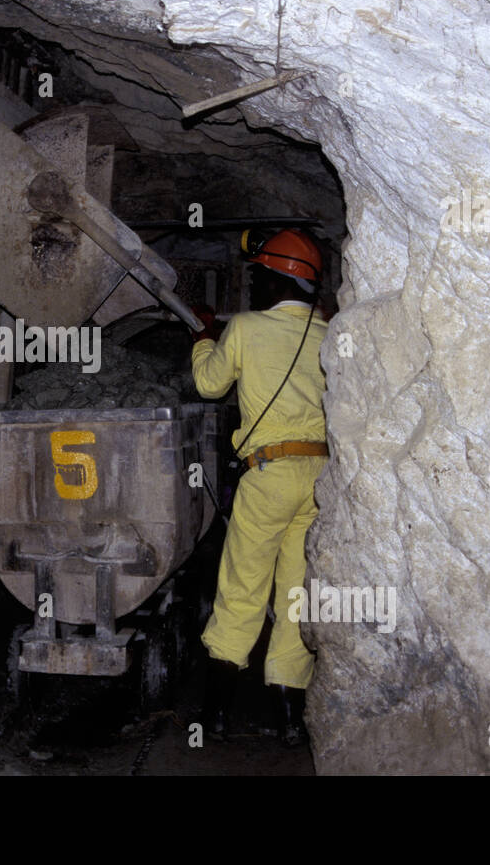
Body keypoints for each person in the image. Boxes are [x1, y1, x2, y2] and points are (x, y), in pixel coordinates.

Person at [189, 228, 329, 746]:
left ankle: (215, 715)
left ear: (275, 280)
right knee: (295, 598)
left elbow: (208, 385)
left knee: (243, 590)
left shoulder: (246, 327)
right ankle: (291, 722)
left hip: (268, 474)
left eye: (257, 278)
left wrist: (205, 334)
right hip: (319, 480)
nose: (252, 290)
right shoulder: (330, 334)